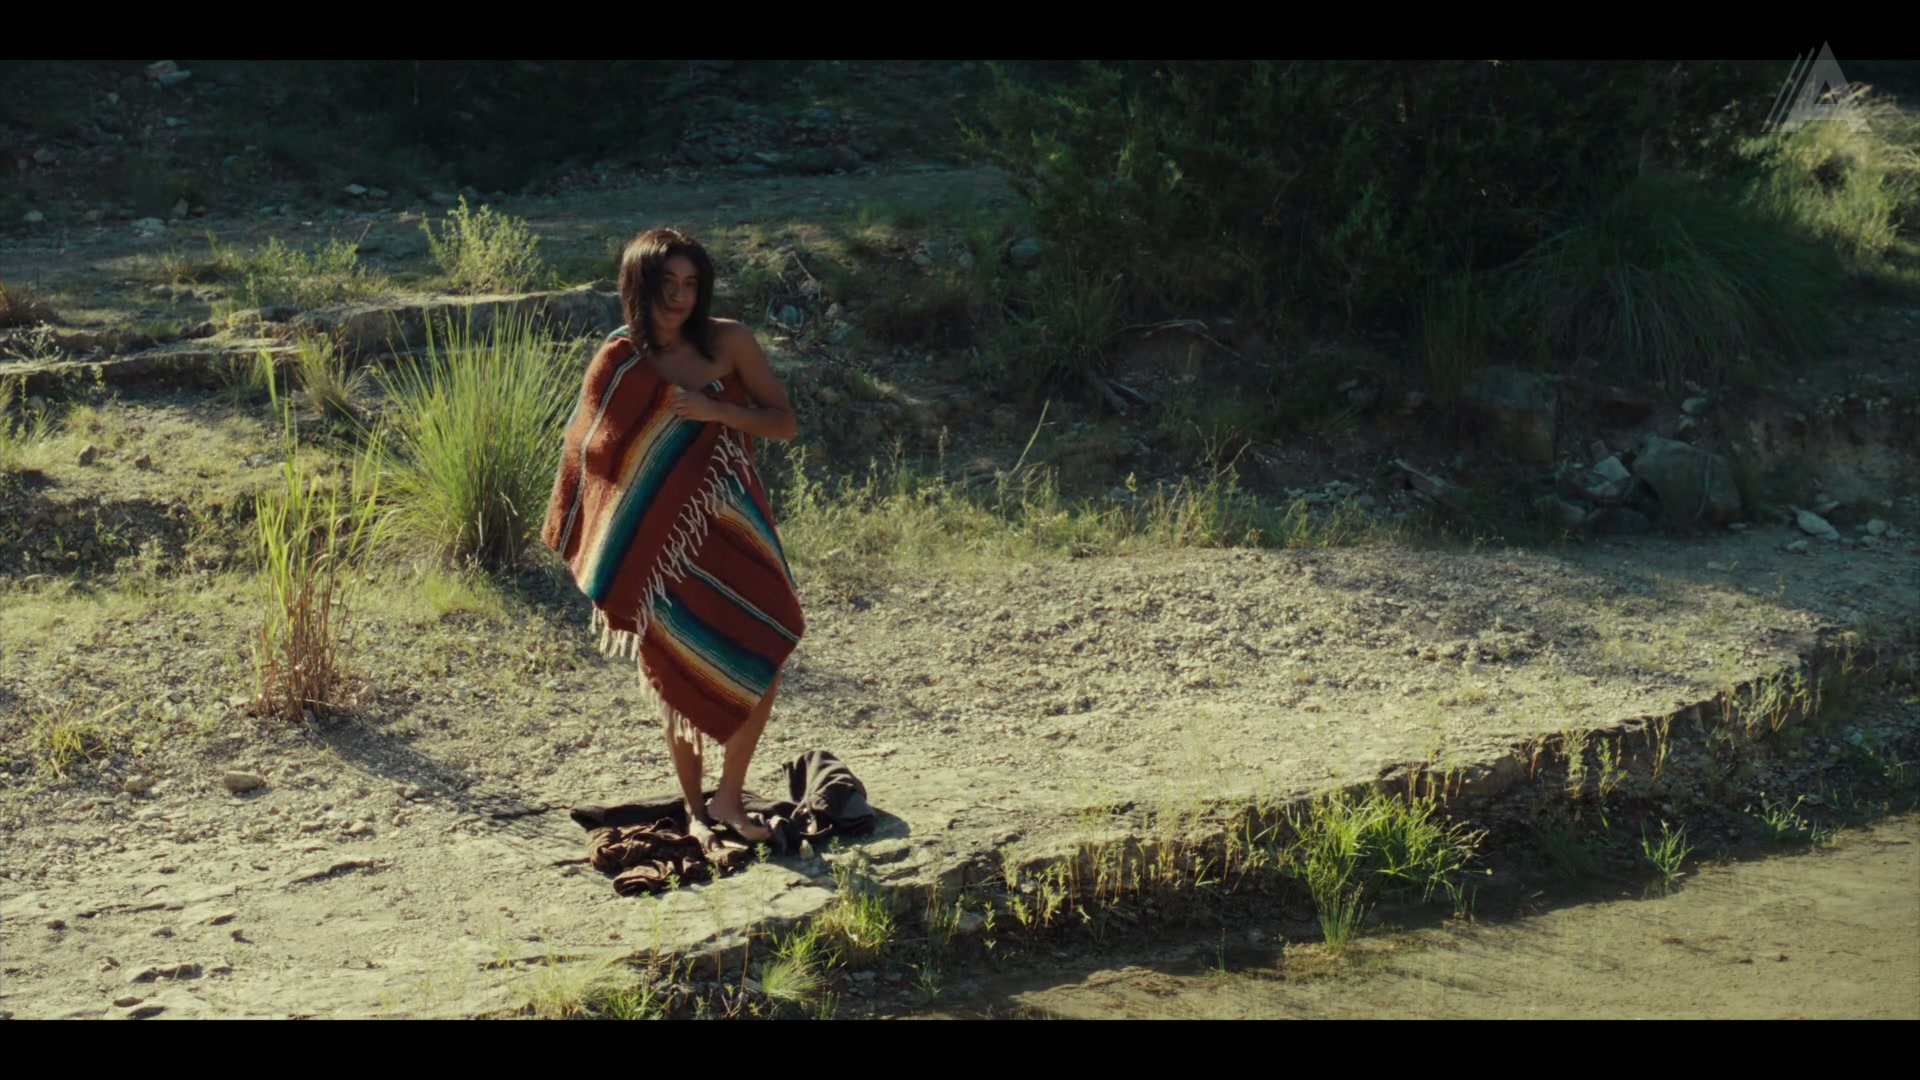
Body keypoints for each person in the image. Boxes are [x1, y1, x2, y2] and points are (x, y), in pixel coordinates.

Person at [542, 227, 804, 848]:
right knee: (675, 658)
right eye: (668, 283)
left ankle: (731, 796)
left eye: (691, 283)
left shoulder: (729, 341)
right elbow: (588, 448)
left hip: (733, 523)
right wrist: (624, 524)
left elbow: (784, 422)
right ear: (640, 285)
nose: (681, 296)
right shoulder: (619, 357)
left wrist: (719, 411)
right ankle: (695, 808)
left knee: (769, 636)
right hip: (659, 549)